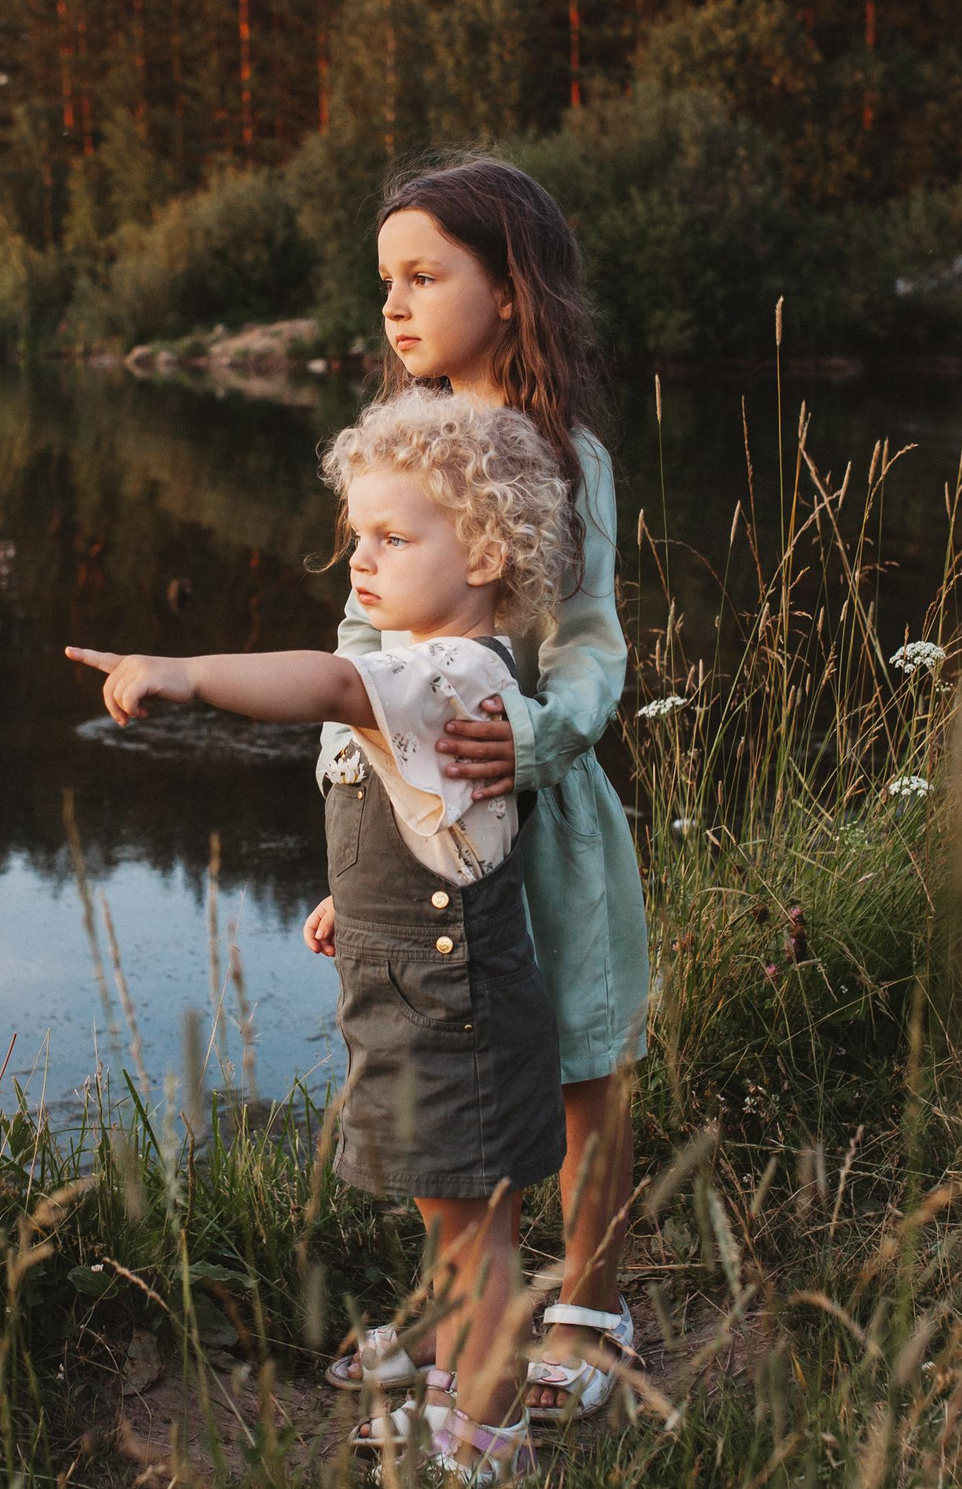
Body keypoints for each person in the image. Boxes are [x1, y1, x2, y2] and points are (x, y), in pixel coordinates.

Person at [68, 388, 578, 1485]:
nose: (362, 560)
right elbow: (437, 815)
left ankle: (486, 1445)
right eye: (357, 536)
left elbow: (334, 680)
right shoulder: (421, 668)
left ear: (486, 550)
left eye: (395, 538)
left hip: (458, 1005)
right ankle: (453, 1379)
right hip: (417, 981)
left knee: (477, 1228)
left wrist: (188, 673)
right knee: (450, 1210)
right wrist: (357, 894)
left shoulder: (449, 670)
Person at [316, 156, 652, 1426]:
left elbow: (591, 644)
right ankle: (471, 1314)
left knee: (576, 1057)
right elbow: (356, 644)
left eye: (423, 276)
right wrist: (358, 855)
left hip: (539, 809)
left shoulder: (564, 454)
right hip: (415, 829)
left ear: (507, 290)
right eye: (385, 283)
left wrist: (535, 735)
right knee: (456, 1071)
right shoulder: (402, 445)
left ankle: (591, 1305)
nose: (395, 307)